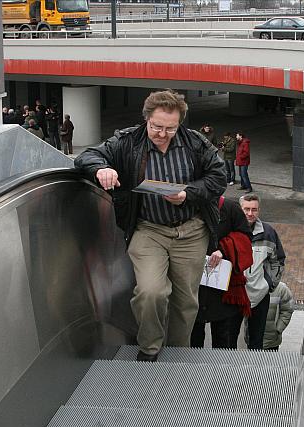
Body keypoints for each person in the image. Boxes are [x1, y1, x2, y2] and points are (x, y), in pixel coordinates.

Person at [74, 89, 227, 362]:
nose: (162, 134)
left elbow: (219, 177)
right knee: (150, 292)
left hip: (191, 231)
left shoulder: (195, 142)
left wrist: (188, 193)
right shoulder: (128, 141)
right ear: (146, 118)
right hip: (149, 229)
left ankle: (178, 351)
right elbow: (87, 156)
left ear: (180, 124)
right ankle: (150, 347)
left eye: (170, 128)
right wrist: (101, 169)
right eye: (157, 126)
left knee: (186, 300)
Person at [190, 195, 253, 350]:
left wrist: (224, 249)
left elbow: (245, 237)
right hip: (194, 284)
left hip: (224, 288)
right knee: (192, 339)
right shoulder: (188, 205)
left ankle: (221, 366)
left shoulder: (230, 208)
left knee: (223, 340)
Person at [236, 193, 285, 350]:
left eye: (254, 209)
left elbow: (278, 260)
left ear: (259, 210)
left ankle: (254, 366)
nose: (250, 213)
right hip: (235, 294)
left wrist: (269, 284)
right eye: (246, 209)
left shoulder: (268, 232)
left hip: (260, 295)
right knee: (228, 338)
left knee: (257, 341)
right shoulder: (231, 229)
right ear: (240, 209)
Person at [262, 281, 294, 350]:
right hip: (252, 339)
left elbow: (287, 309)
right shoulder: (251, 286)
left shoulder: (281, 288)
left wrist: (278, 329)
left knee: (271, 357)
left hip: (272, 341)